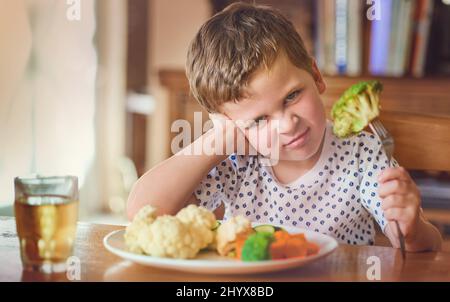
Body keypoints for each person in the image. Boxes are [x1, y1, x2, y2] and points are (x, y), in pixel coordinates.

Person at [127, 2, 441, 251]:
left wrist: (410, 226)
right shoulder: (236, 162)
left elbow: (420, 245)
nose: (288, 124)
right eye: (259, 119)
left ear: (316, 76)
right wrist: (217, 142)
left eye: (292, 96)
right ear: (232, 126)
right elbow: (145, 212)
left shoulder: (361, 153)